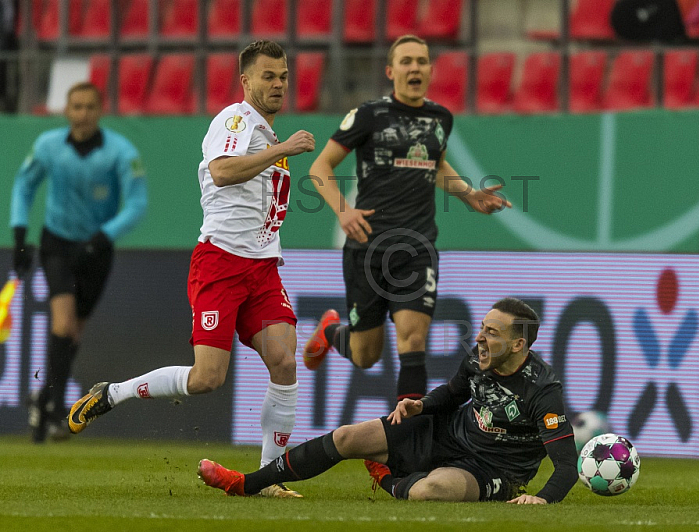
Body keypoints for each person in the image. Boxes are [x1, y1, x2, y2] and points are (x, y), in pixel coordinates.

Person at [67, 40, 315, 497]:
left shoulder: (266, 132)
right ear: (246, 81)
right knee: (206, 379)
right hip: (220, 262)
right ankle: (112, 393)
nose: (278, 83)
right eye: (267, 76)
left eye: (283, 75)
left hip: (261, 268)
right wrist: (284, 149)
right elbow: (221, 171)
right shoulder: (236, 119)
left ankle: (267, 479)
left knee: (283, 361)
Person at [199, 298, 579, 504]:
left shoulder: (542, 391)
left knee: (429, 491)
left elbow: (566, 466)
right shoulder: (477, 359)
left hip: (495, 471)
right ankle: (245, 484)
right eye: (481, 328)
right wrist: (421, 406)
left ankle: (388, 478)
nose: (479, 338)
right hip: (447, 434)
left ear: (518, 345)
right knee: (348, 438)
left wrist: (542, 500)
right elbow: (452, 395)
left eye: (491, 333)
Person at [302, 35, 511, 404]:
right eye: (406, 61)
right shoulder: (369, 115)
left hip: (417, 246)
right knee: (366, 355)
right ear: (390, 71)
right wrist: (342, 211)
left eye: (422, 61)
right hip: (367, 244)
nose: (415, 67)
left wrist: (468, 194)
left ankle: (403, 446)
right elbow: (320, 166)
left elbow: (437, 164)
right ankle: (331, 332)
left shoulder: (440, 118)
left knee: (413, 340)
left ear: (430, 70)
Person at [9, 81, 148, 442]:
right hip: (57, 244)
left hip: (96, 250)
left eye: (89, 107)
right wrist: (21, 236)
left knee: (74, 333)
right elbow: (24, 187)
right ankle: (56, 411)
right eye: (76, 107)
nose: (83, 114)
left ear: (98, 111)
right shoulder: (48, 146)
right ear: (66, 111)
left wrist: (104, 235)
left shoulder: (120, 152)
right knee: (62, 322)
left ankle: (42, 399)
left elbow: (137, 203)